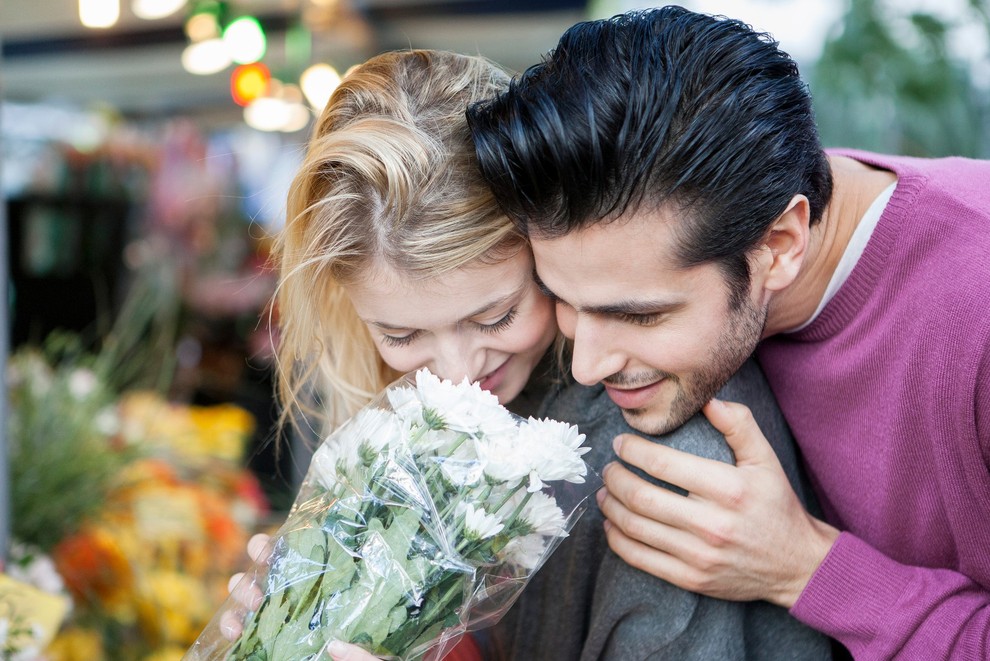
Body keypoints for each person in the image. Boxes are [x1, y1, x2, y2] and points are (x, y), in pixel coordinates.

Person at [222, 48, 830, 660]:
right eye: (401, 336)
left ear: (550, 247)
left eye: (495, 317)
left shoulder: (667, 446)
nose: (458, 374)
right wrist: (319, 618)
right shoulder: (381, 425)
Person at [466, 5, 990, 659]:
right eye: (564, 300)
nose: (587, 364)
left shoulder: (975, 313)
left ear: (779, 244)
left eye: (638, 315)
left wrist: (807, 568)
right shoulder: (724, 212)